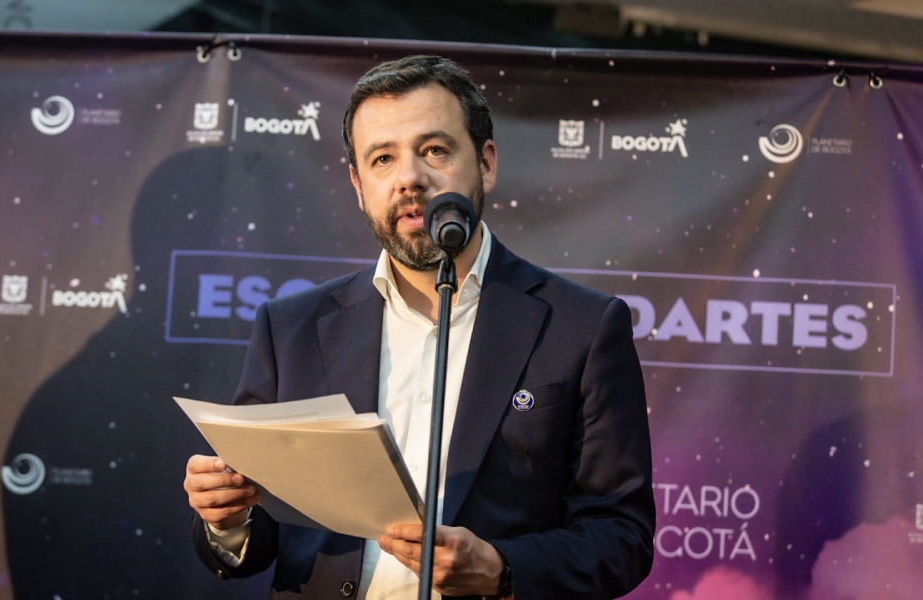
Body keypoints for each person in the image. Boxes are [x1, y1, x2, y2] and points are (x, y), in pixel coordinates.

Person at [184, 54, 655, 600]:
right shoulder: (290, 329)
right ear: (359, 186)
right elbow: (258, 540)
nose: (410, 177)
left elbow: (622, 538)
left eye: (434, 150)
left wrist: (502, 567)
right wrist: (227, 520)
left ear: (486, 163)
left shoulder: (583, 326)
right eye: (383, 159)